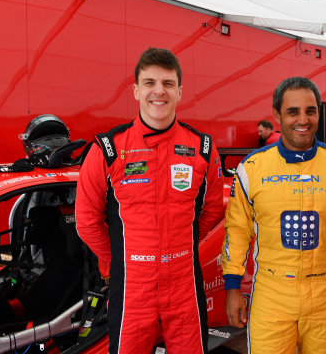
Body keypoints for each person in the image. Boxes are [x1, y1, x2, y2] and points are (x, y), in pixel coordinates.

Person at [75, 47, 225, 353]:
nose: (159, 91)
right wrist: (123, 257)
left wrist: (178, 247)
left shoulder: (203, 149)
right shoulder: (107, 150)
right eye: (150, 83)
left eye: (168, 84)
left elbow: (211, 212)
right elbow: (87, 223)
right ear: (136, 90)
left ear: (180, 92)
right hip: (132, 288)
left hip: (184, 284)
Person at [222, 77, 326, 354]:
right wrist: (232, 287)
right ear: (277, 115)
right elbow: (237, 230)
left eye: (310, 110)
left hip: (325, 294)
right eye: (293, 111)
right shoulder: (252, 167)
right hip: (271, 293)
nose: (303, 119)